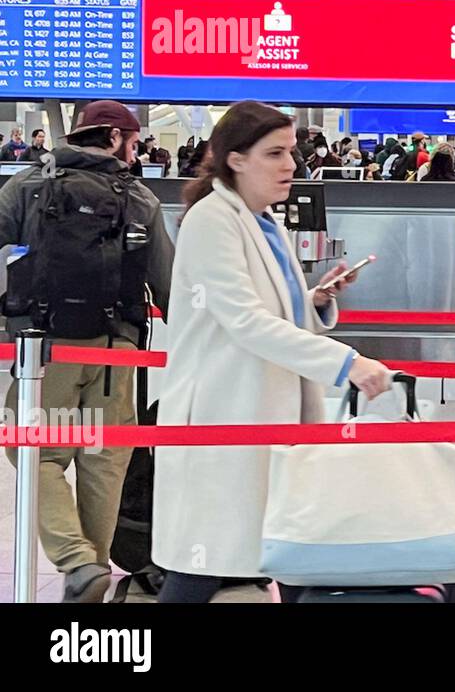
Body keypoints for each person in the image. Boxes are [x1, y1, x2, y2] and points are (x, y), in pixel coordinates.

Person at [152, 101, 395, 603]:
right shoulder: (212, 221)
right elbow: (244, 321)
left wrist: (316, 299)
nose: (291, 165)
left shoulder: (266, 222)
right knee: (204, 556)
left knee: (279, 546)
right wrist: (347, 364)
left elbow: (269, 313)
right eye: (275, 153)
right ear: (236, 159)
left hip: (264, 411)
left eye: (292, 152)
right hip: (224, 415)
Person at [0, 100, 173, 603]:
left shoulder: (29, 186)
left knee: (36, 453)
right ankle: (88, 579)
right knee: (104, 463)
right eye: (134, 142)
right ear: (115, 138)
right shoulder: (139, 198)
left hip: (47, 351)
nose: (136, 153)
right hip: (116, 356)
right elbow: (168, 286)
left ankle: (78, 564)